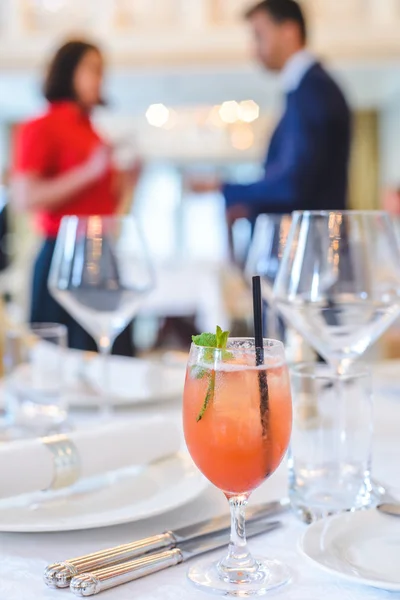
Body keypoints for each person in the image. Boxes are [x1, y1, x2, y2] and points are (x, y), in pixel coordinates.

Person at [12, 40, 140, 354]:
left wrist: (129, 181)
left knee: (111, 355)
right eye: (93, 69)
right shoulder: (40, 127)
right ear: (68, 72)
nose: (100, 79)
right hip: (64, 253)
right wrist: (89, 171)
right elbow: (24, 197)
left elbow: (106, 207)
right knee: (62, 359)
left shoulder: (94, 133)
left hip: (102, 252)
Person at [190, 0, 352, 225]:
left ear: (289, 31)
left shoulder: (314, 89)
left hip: (314, 245)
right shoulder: (304, 89)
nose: (253, 49)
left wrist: (223, 187)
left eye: (259, 36)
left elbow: (293, 184)